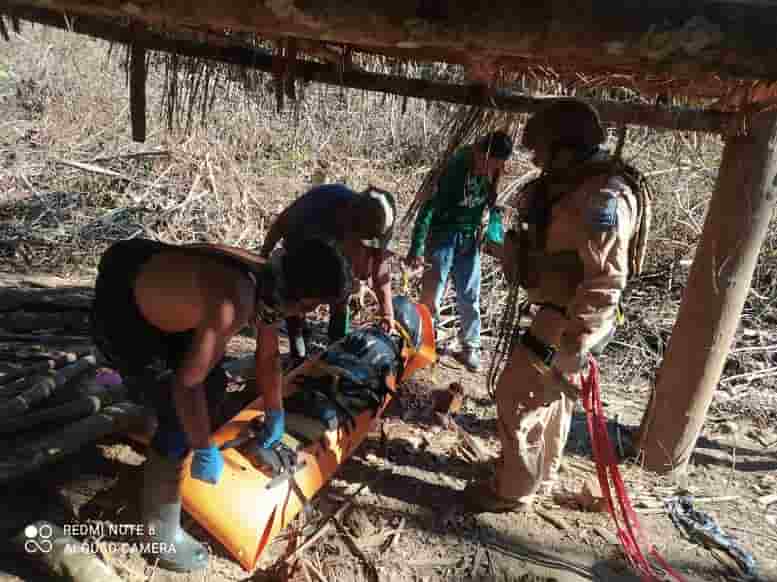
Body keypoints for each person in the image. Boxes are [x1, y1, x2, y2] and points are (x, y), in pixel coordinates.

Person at [90, 237, 352, 572]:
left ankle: (155, 414)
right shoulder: (235, 300)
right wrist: (202, 448)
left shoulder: (272, 280)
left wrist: (275, 411)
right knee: (179, 416)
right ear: (300, 295)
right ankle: (160, 534)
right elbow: (187, 384)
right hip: (123, 312)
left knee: (213, 385)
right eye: (311, 306)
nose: (308, 314)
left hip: (162, 299)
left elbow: (269, 354)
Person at [462, 98, 647, 513]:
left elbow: (605, 280)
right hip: (557, 311)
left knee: (517, 396)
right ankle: (536, 476)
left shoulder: (602, 198)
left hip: (567, 320)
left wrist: (577, 343)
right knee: (551, 402)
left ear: (567, 147)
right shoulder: (573, 187)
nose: (538, 160)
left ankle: (511, 490)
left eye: (543, 151)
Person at [405, 131, 513, 372]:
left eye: (496, 166)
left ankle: (469, 347)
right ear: (479, 151)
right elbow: (428, 207)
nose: (489, 170)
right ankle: (424, 343)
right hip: (443, 234)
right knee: (433, 293)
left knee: (469, 293)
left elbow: (493, 205)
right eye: (488, 164)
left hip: (469, 237)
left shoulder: (493, 170)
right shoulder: (453, 167)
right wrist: (417, 245)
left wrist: (496, 235)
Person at [260, 184, 397, 366]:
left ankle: (336, 346)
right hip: (301, 245)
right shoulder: (319, 203)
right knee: (295, 294)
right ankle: (297, 344)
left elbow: (380, 263)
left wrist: (387, 311)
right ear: (350, 224)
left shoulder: (380, 219)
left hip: (332, 252)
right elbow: (279, 226)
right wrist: (262, 258)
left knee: (342, 291)